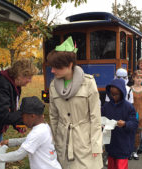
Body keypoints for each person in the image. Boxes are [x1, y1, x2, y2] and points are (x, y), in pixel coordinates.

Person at [48, 37, 103, 169]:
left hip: (85, 142)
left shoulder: (88, 82)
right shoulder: (53, 86)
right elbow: (53, 117)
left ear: (70, 65)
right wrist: (54, 142)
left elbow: (95, 117)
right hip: (63, 141)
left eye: (56, 67)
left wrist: (96, 145)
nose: (52, 71)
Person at [0, 96, 62, 169]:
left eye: (22, 116)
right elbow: (29, 140)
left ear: (32, 116)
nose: (21, 119)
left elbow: (18, 155)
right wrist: (10, 142)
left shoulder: (37, 133)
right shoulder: (44, 127)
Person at [102, 78, 138, 169]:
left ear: (122, 93)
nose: (113, 96)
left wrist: (125, 124)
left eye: (116, 94)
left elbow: (134, 124)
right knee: (111, 166)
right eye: (111, 94)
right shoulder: (106, 106)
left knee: (121, 166)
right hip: (110, 143)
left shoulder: (129, 107)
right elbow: (101, 118)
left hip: (123, 144)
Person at [130, 70, 142, 160]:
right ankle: (129, 151)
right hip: (131, 115)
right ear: (133, 78)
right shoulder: (129, 89)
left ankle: (135, 151)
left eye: (141, 78)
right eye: (137, 77)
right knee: (130, 133)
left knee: (138, 134)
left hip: (141, 115)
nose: (139, 79)